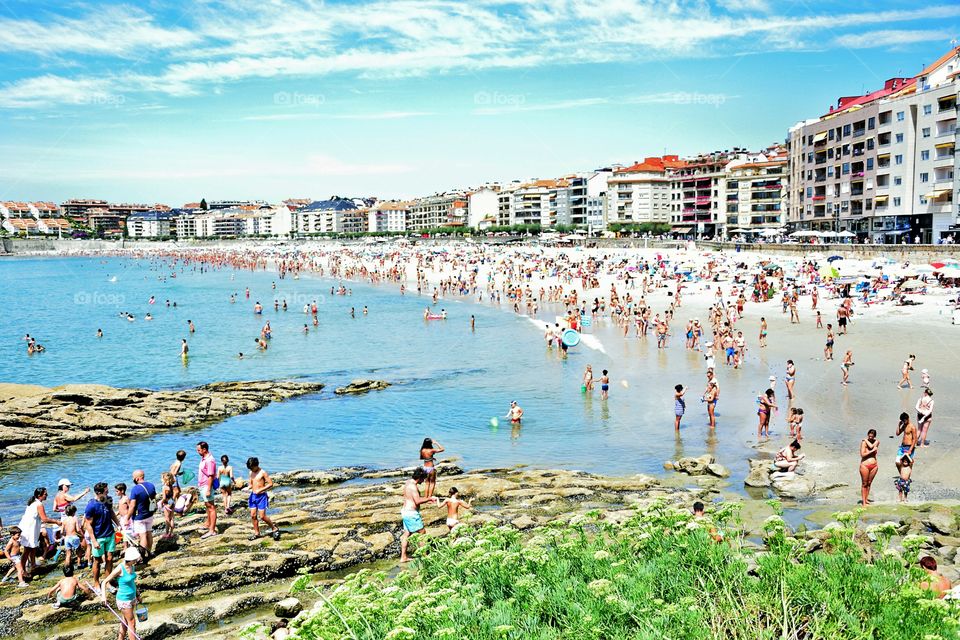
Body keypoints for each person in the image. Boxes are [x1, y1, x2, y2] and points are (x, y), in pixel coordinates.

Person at [100, 547, 141, 640]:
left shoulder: (132, 566)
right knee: (132, 623)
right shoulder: (120, 568)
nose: (136, 561)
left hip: (132, 597)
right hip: (124, 600)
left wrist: (138, 595)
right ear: (129, 559)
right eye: (134, 559)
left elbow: (132, 582)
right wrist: (104, 597)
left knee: (125, 621)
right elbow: (104, 582)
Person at [399, 468, 439, 562]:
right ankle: (425, 556)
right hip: (411, 513)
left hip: (405, 511)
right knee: (422, 533)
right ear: (419, 477)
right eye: (423, 478)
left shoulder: (408, 482)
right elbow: (417, 501)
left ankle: (403, 557)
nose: (423, 481)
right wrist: (429, 498)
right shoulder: (413, 487)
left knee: (407, 534)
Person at [17, 487, 58, 579]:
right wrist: (56, 521)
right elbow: (44, 519)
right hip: (28, 529)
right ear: (39, 495)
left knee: (33, 547)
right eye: (45, 494)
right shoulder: (38, 504)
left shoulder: (33, 502)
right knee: (27, 550)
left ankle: (33, 565)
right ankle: (22, 570)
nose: (47, 495)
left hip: (31, 528)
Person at [84, 482, 119, 586]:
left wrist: (118, 524)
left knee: (109, 558)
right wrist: (93, 541)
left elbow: (111, 512)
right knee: (97, 560)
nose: (108, 493)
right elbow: (88, 525)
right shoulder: (91, 505)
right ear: (99, 493)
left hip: (110, 533)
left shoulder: (108, 500)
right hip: (98, 536)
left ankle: (107, 581)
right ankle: (96, 583)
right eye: (106, 491)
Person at [246, 457, 280, 541]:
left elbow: (271, 484)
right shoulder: (251, 472)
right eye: (250, 468)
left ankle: (274, 528)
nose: (251, 469)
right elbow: (251, 484)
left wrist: (260, 490)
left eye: (252, 467)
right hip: (253, 496)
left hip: (261, 497)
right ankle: (257, 533)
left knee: (262, 516)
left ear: (256, 465)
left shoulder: (263, 472)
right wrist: (248, 487)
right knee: (253, 515)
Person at [128, 470, 156, 557]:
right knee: (149, 533)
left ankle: (143, 556)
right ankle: (150, 552)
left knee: (143, 536)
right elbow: (154, 498)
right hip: (149, 514)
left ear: (137, 478)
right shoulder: (151, 485)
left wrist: (127, 517)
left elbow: (132, 506)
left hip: (139, 516)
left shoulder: (135, 489)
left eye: (133, 478)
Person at [197, 441, 218, 539]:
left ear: (204, 449)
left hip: (207, 485)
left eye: (199, 450)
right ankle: (208, 523)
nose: (198, 452)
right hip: (203, 485)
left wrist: (209, 489)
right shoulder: (204, 458)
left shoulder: (210, 460)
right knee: (207, 505)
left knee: (211, 507)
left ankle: (212, 530)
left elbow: (210, 476)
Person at [859, 429, 879, 506]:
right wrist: (872, 451)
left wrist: (867, 441)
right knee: (864, 483)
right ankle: (863, 502)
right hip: (865, 465)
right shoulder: (863, 442)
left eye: (872, 436)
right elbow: (862, 455)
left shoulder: (877, 442)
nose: (870, 437)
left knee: (869, 483)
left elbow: (872, 446)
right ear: (867, 435)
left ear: (874, 436)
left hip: (874, 465)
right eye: (869, 436)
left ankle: (866, 499)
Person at [60, 504, 82, 571]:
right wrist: (82, 535)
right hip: (74, 537)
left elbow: (61, 532)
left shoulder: (64, 520)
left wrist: (65, 535)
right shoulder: (75, 519)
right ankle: (79, 564)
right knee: (79, 551)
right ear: (73, 512)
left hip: (67, 538)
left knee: (68, 554)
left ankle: (67, 568)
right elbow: (78, 530)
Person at [159, 472, 176, 539]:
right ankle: (171, 533)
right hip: (172, 503)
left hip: (166, 505)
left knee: (167, 519)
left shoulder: (164, 487)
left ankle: (166, 533)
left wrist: (161, 503)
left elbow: (164, 498)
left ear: (164, 480)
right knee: (172, 518)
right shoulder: (171, 486)